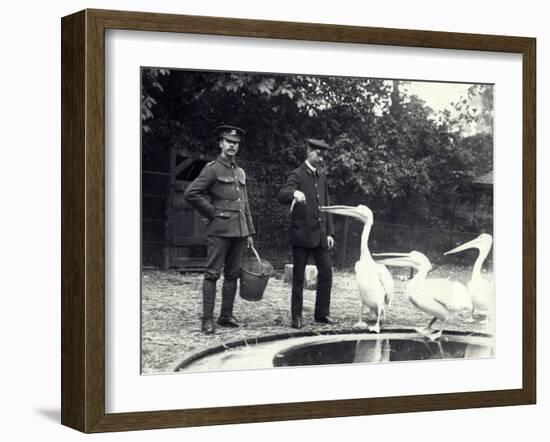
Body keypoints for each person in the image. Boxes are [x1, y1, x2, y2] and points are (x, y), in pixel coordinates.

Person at [184, 125, 255, 334]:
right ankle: (207, 320)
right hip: (219, 231)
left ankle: (226, 315)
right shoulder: (212, 169)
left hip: (239, 231)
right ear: (221, 143)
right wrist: (212, 212)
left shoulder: (239, 171)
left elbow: (245, 203)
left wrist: (249, 231)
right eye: (229, 141)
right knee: (212, 274)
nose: (232, 145)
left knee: (232, 274)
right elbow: (191, 193)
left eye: (236, 143)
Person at [277, 138, 335, 329]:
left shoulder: (322, 177)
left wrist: (330, 233)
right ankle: (297, 317)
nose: (321, 157)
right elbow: (282, 194)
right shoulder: (297, 174)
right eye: (318, 153)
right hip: (301, 235)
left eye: (323, 154)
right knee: (299, 277)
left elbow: (325, 206)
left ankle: (321, 314)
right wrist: (294, 193)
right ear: (308, 151)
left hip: (320, 235)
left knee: (326, 272)